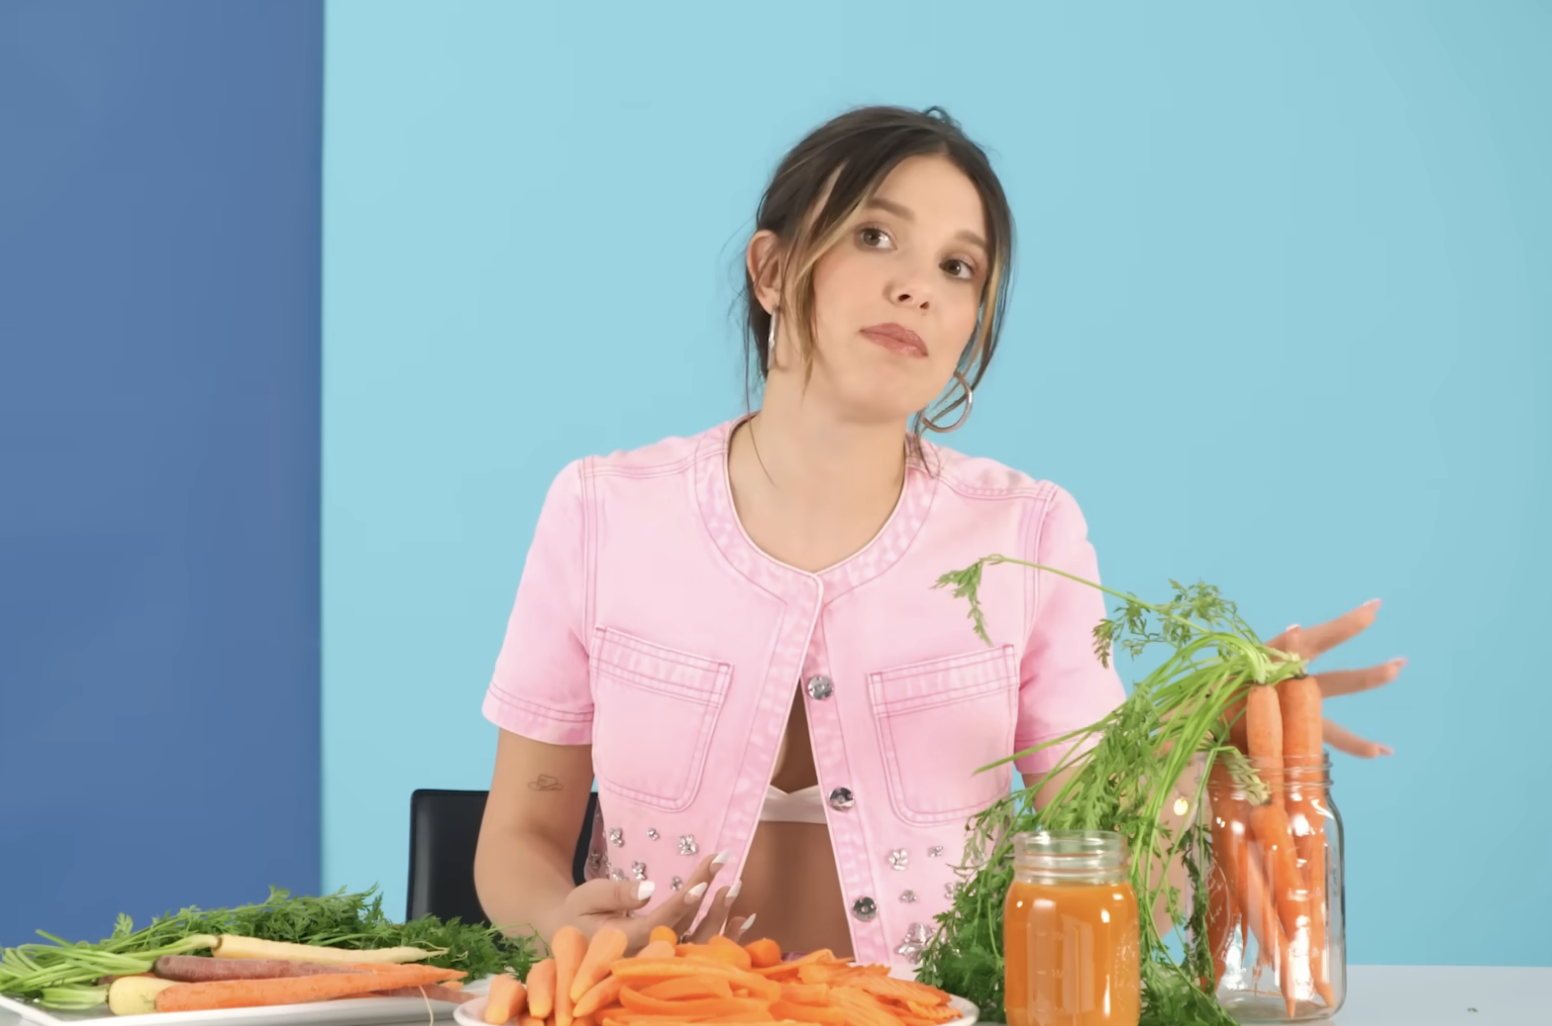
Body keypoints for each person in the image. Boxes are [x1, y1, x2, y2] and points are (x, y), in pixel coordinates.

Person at [470, 105, 1403, 968]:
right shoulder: (604, 511)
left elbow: (1141, 894)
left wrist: (1198, 745)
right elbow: (520, 838)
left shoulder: (1027, 534)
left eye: (959, 267)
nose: (917, 286)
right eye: (875, 236)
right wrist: (559, 925)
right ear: (771, 269)